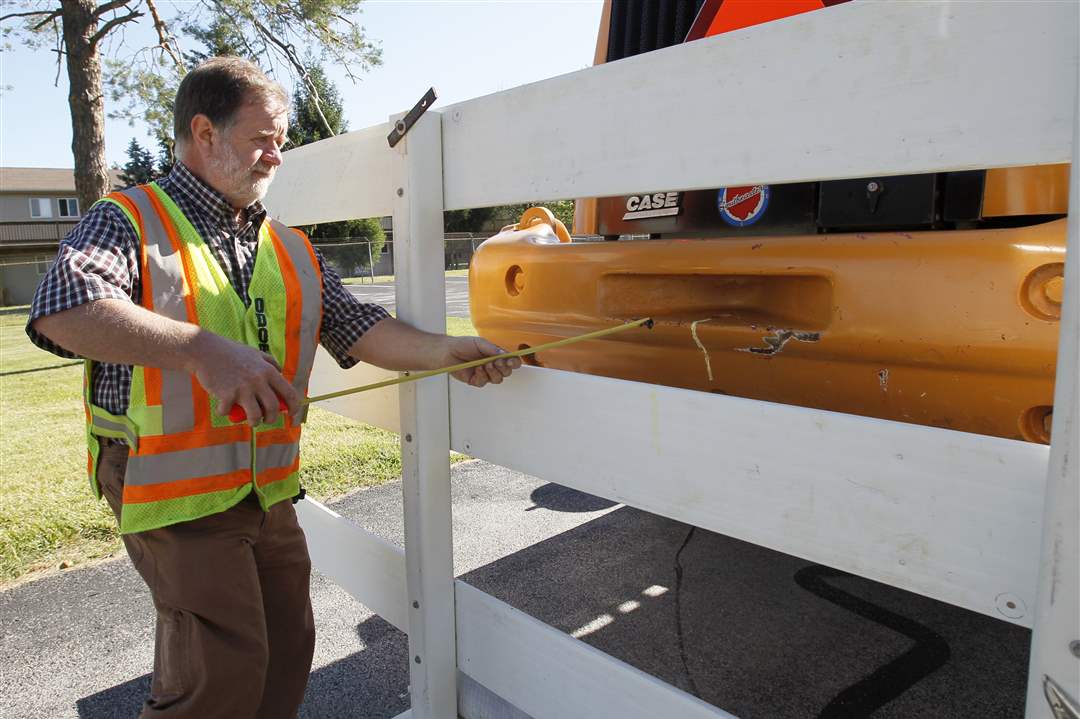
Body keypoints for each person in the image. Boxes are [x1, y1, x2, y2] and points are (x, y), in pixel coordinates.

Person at [27, 56, 520, 718]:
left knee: (289, 646)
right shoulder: (128, 218)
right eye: (262, 138)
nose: (276, 156)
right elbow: (62, 309)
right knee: (220, 670)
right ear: (205, 133)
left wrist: (444, 352)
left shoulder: (287, 245)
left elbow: (354, 324)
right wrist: (202, 351)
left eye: (281, 141)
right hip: (168, 487)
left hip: (267, 486)